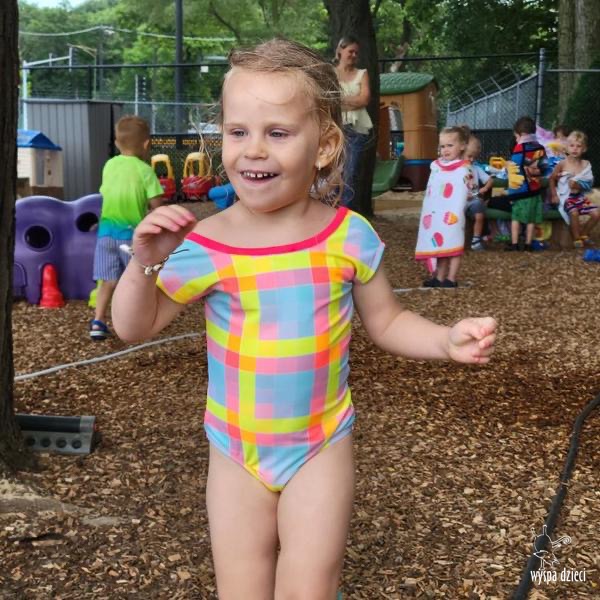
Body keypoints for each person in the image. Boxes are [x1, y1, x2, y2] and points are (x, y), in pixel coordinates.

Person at [111, 39, 497, 599]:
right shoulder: (208, 242)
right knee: (241, 589)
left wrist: (445, 341)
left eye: (277, 133)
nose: (253, 150)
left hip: (321, 446)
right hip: (235, 452)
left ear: (325, 145)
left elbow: (388, 322)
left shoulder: (347, 235)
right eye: (238, 131)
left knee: (311, 585)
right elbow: (133, 326)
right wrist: (143, 265)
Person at [89, 115, 163, 340]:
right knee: (137, 280)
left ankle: (98, 322)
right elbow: (157, 206)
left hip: (105, 234)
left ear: (117, 143)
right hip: (130, 237)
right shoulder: (145, 171)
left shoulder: (109, 165)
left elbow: (107, 194)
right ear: (146, 144)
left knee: (107, 281)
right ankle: (136, 322)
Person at [416, 125, 473, 288]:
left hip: (453, 215)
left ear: (462, 146)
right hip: (437, 214)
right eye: (442, 146)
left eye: (450, 145)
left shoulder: (463, 168)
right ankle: (439, 277)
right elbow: (433, 189)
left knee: (453, 244)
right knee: (440, 245)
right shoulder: (436, 166)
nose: (445, 150)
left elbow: (468, 188)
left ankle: (451, 278)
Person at [334, 36, 373, 207]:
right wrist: (353, 101)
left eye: (357, 52)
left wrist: (340, 100)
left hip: (357, 130)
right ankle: (330, 210)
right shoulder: (330, 73)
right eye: (351, 51)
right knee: (333, 172)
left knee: (350, 173)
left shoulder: (362, 74)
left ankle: (344, 212)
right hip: (335, 128)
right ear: (340, 50)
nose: (354, 55)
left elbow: (364, 99)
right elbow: (327, 99)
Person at [504, 116, 549, 252]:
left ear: (520, 134)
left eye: (516, 137)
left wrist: (512, 194)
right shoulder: (540, 147)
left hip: (521, 192)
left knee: (516, 218)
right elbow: (544, 167)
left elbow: (514, 171)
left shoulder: (519, 148)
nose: (516, 139)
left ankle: (515, 244)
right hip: (535, 190)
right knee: (531, 219)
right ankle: (528, 244)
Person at [549, 130, 598, 247]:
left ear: (584, 149)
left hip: (580, 197)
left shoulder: (585, 164)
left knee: (596, 213)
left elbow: (589, 182)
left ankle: (584, 234)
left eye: (578, 146)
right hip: (566, 198)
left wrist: (578, 185)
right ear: (567, 148)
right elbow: (552, 179)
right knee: (574, 212)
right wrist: (554, 195)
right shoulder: (562, 164)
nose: (575, 149)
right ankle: (577, 239)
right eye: (572, 146)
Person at [465, 135, 493, 250]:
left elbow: (490, 180)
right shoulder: (456, 169)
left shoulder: (476, 168)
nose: (472, 159)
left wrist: (485, 188)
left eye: (474, 157)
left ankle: (476, 240)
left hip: (473, 200)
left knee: (480, 212)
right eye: (469, 156)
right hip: (459, 201)